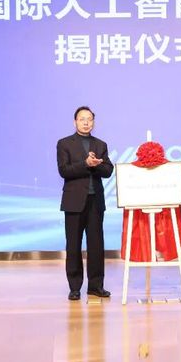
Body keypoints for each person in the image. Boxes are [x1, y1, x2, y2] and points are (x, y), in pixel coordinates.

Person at [57, 106, 114, 301]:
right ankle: (74, 287)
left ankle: (96, 286)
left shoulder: (100, 144)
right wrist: (85, 164)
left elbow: (108, 170)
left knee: (96, 245)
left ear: (93, 122)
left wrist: (96, 165)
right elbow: (64, 170)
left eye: (89, 119)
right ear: (75, 122)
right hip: (73, 201)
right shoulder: (64, 143)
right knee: (73, 245)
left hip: (95, 202)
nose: (86, 122)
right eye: (82, 119)